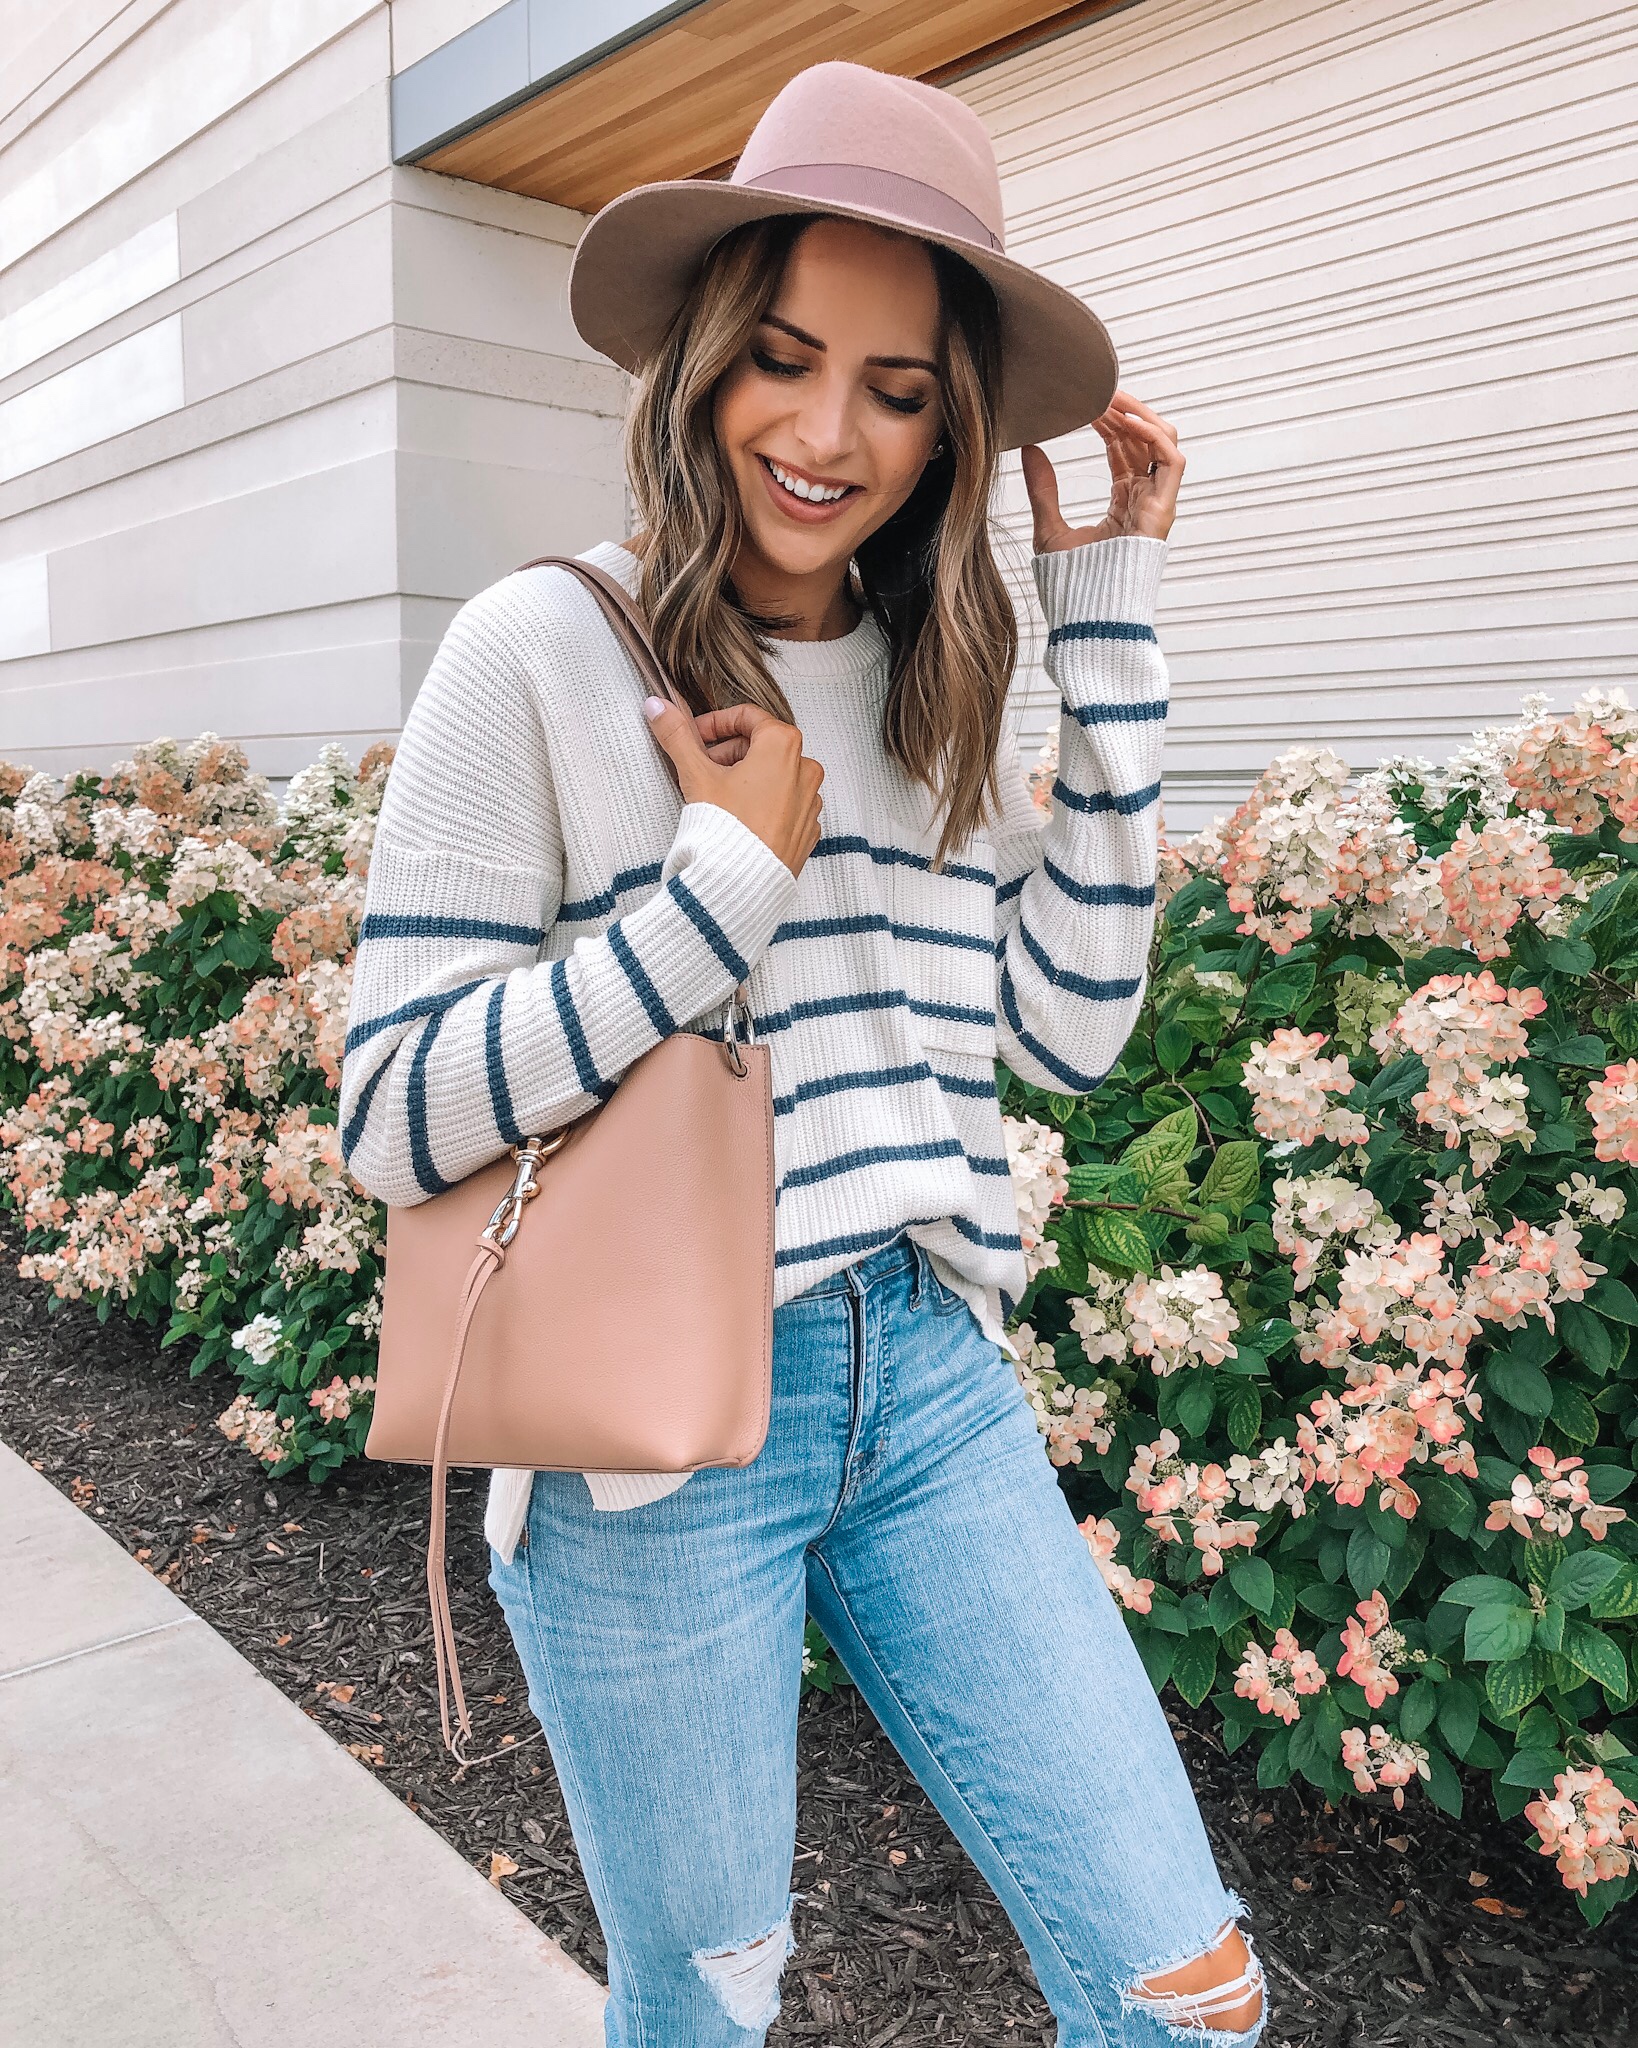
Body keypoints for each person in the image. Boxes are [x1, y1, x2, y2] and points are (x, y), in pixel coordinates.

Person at [341, 59, 1265, 2048]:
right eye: (779, 358)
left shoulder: (936, 676)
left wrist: (1109, 624)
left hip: (925, 1382)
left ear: (949, 429)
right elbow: (389, 1112)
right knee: (706, 2004)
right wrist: (703, 906)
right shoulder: (536, 651)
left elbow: (1066, 1029)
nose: (828, 430)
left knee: (1186, 1990)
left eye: (899, 387)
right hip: (645, 1445)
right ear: (698, 364)